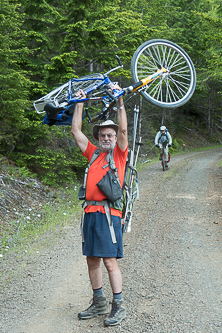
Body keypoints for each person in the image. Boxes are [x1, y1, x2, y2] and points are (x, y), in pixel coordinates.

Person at [70, 86, 128, 327]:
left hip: (108, 215)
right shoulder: (93, 154)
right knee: (92, 260)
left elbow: (123, 128)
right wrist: (80, 103)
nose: (106, 138)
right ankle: (99, 301)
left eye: (110, 135)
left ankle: (118, 305)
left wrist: (120, 100)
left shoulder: (119, 155)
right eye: (102, 135)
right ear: (98, 138)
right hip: (90, 214)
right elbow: (75, 131)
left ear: (115, 138)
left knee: (109, 261)